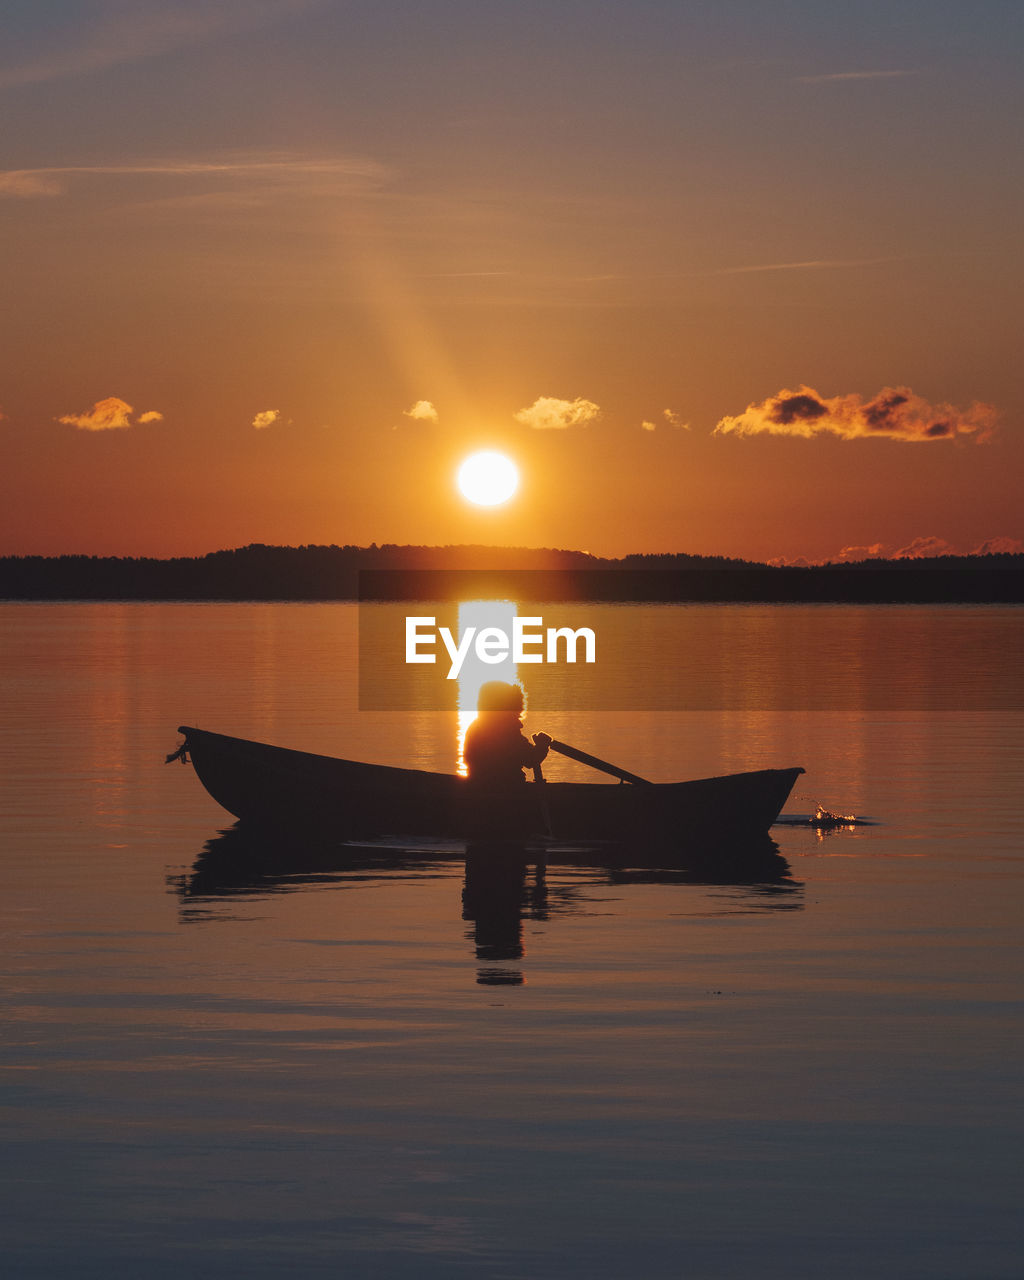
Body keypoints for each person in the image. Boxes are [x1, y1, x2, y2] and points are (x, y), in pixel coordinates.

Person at [463, 681, 551, 787]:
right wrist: (542, 746)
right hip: (506, 787)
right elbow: (530, 759)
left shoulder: (475, 726)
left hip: (477, 784)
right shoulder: (506, 730)